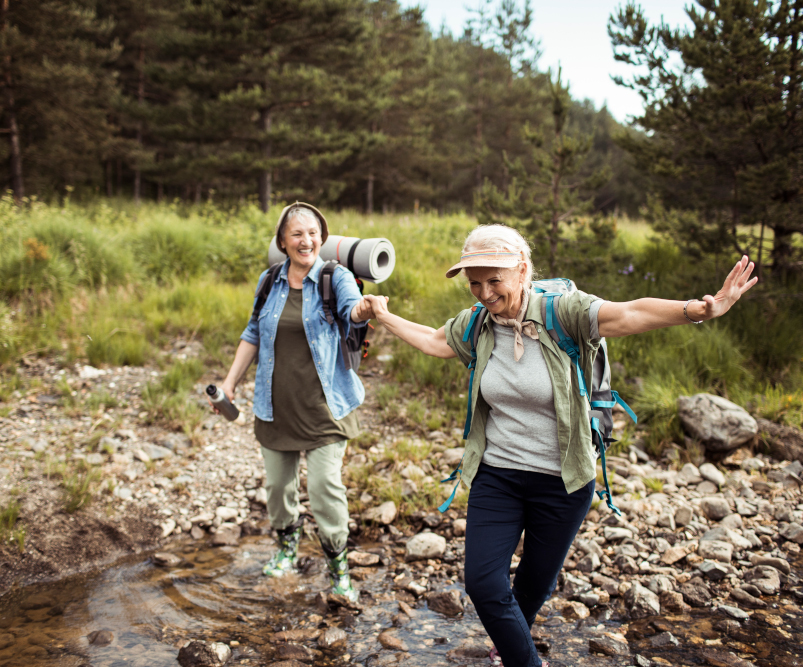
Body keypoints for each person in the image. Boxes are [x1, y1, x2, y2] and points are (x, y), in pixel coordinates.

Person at [362, 224, 757, 667]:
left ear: (523, 270)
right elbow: (435, 341)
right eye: (475, 282)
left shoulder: (563, 312)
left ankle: (507, 646)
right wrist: (383, 314)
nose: (484, 293)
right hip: (499, 475)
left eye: (495, 280)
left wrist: (699, 309)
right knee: (484, 585)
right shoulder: (476, 324)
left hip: (563, 481)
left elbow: (629, 313)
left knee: (533, 585)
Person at [216, 202, 373, 602]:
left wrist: (364, 309)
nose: (307, 240)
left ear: (322, 237)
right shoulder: (269, 281)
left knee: (323, 487)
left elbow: (351, 310)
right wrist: (230, 383)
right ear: (282, 241)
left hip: (325, 408)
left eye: (313, 232)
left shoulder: (334, 277)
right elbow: (252, 331)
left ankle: (339, 568)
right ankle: (287, 548)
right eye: (297, 234)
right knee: (278, 488)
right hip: (275, 405)